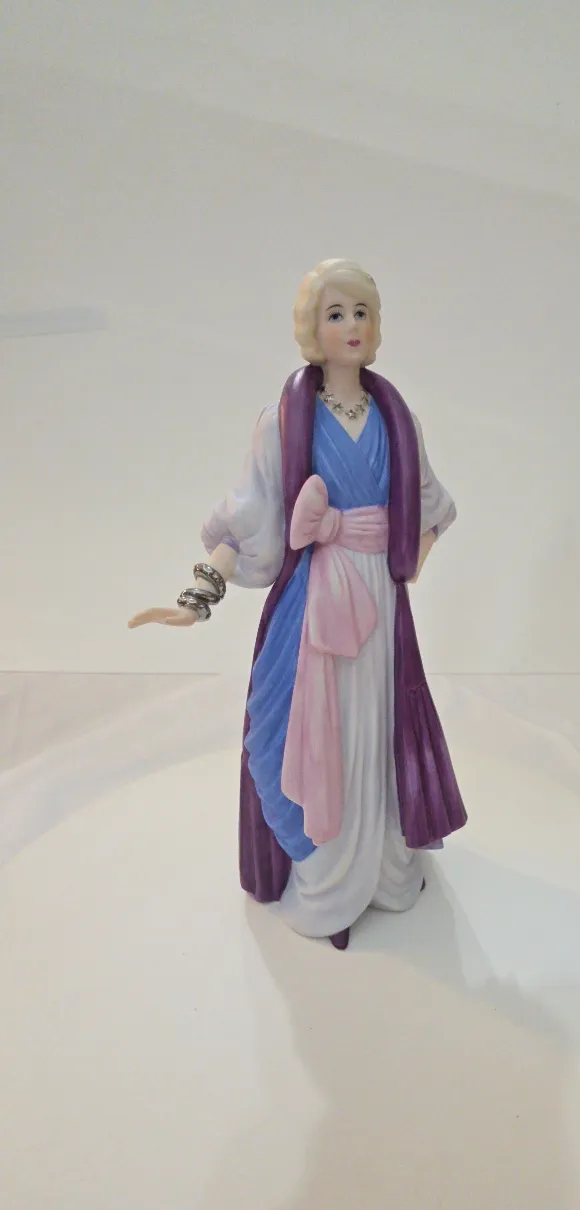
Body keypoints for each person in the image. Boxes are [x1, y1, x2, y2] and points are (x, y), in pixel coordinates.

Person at [129, 259, 466, 948]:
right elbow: (247, 519)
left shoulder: (398, 418)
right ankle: (329, 878)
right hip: (314, 606)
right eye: (335, 313)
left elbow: (433, 507)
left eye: (361, 312)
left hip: (379, 607)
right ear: (312, 328)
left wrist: (403, 563)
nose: (351, 325)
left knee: (375, 728)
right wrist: (198, 597)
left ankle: (381, 867)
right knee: (309, 732)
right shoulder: (284, 422)